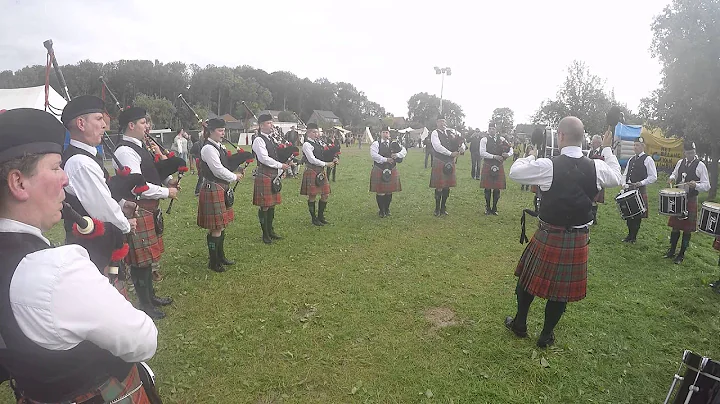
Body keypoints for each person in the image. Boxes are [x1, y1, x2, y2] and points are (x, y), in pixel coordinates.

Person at [0, 108, 160, 403]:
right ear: (18, 183)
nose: (64, 180)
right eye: (56, 167)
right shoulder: (58, 271)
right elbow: (142, 341)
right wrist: (102, 272)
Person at [505, 116, 622, 348]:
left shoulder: (549, 165)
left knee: (527, 281)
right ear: (583, 139)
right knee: (560, 293)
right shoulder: (596, 167)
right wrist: (608, 150)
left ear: (560, 136)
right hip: (577, 238)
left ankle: (520, 323)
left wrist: (530, 154)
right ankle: (546, 335)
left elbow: (515, 172)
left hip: (549, 234)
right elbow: (617, 176)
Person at [60, 95, 137, 295]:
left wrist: (121, 203)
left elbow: (101, 193)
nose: (104, 125)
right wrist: (127, 224)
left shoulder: (87, 156)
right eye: (99, 119)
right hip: (92, 247)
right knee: (104, 295)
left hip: (98, 242)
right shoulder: (80, 162)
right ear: (80, 123)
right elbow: (103, 209)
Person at [114, 107, 175, 319]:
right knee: (140, 262)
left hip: (149, 209)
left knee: (148, 259)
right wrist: (167, 192)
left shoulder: (139, 147)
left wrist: (168, 180)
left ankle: (151, 296)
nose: (147, 126)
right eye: (143, 122)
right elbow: (136, 186)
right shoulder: (125, 151)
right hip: (138, 210)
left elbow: (151, 173)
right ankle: (145, 304)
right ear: (131, 125)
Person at [198, 118, 243, 272]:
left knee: (221, 226)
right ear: (211, 131)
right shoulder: (208, 149)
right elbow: (218, 170)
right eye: (220, 130)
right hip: (213, 187)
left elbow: (226, 164)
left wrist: (240, 159)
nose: (223, 133)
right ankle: (213, 261)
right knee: (216, 227)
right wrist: (234, 177)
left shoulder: (219, 147)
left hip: (221, 187)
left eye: (224, 130)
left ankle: (220, 256)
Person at [663, 141, 710, 264]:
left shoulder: (700, 165)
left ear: (695, 152)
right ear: (684, 152)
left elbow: (707, 185)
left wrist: (696, 185)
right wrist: (672, 178)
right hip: (678, 199)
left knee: (687, 229)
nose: (690, 155)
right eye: (688, 153)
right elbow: (675, 173)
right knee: (675, 227)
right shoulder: (680, 162)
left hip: (691, 199)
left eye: (692, 153)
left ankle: (681, 255)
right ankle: (672, 250)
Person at [253, 113, 291, 244]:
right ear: (261, 125)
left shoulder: (271, 139)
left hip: (274, 173)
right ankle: (265, 233)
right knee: (265, 205)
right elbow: (264, 158)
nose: (272, 125)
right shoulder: (259, 140)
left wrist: (281, 170)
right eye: (269, 123)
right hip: (264, 173)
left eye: (271, 123)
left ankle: (271, 230)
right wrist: (281, 165)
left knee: (272, 204)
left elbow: (276, 156)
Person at [621, 137, 657, 243]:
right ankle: (629, 235)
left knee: (637, 216)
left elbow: (653, 177)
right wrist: (623, 183)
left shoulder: (648, 159)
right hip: (629, 189)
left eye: (637, 145)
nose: (635, 147)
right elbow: (625, 173)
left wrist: (641, 183)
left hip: (639, 190)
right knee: (628, 213)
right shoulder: (631, 159)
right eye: (634, 145)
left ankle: (633, 237)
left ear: (643, 146)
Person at [300, 123, 337, 226]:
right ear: (308, 133)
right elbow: (312, 159)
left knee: (325, 194)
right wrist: (326, 164)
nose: (316, 134)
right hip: (311, 170)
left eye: (317, 132)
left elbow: (325, 154)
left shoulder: (319, 143)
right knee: (312, 195)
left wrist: (334, 158)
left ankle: (321, 216)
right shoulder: (307, 144)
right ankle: (314, 218)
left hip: (320, 170)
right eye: (313, 132)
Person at [429, 116, 465, 216]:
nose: (442, 123)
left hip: (450, 161)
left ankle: (443, 207)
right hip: (440, 160)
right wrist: (450, 153)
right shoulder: (435, 133)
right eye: (440, 121)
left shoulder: (451, 132)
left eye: (444, 121)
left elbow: (461, 142)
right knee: (439, 186)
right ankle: (437, 209)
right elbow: (437, 147)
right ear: (437, 123)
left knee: (447, 186)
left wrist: (462, 148)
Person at [370, 126, 407, 218]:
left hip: (392, 169)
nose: (385, 134)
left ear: (389, 134)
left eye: (387, 132)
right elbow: (374, 155)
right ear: (380, 133)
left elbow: (404, 151)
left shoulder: (394, 143)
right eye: (383, 132)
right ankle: (381, 210)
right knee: (380, 191)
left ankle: (387, 209)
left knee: (389, 192)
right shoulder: (376, 144)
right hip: (379, 168)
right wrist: (386, 159)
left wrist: (397, 155)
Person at [479, 123, 513, 215]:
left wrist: (508, 154)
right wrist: (494, 156)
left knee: (497, 188)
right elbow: (482, 153)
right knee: (487, 188)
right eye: (490, 128)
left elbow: (511, 149)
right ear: (488, 130)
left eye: (493, 128)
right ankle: (487, 207)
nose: (491, 130)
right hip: (488, 164)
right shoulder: (484, 139)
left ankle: (494, 208)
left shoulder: (502, 139)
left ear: (496, 129)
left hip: (498, 165)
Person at [588, 135, 605, 225]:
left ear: (598, 143)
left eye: (593, 142)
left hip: (599, 178)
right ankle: (591, 216)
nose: (592, 143)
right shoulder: (590, 152)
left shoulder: (603, 152)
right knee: (590, 198)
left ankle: (593, 217)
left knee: (594, 200)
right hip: (590, 177)